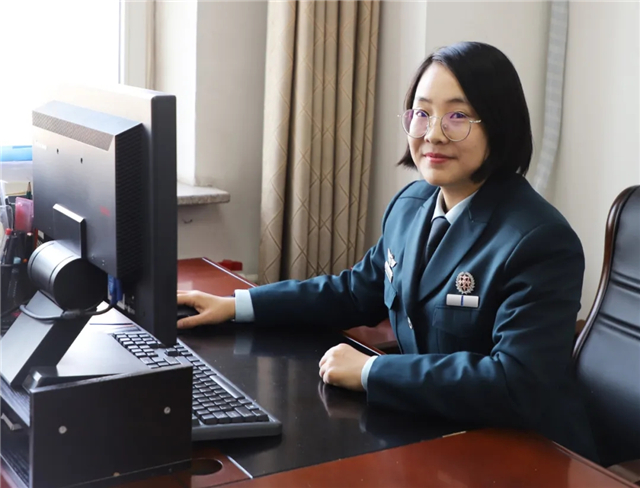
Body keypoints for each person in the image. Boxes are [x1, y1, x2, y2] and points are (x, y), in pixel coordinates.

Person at [177, 41, 598, 461]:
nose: (433, 133)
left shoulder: (539, 241)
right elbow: (354, 292)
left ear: (500, 125)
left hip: (521, 452)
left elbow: (515, 383)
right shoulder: (412, 205)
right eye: (422, 113)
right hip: (432, 431)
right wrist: (237, 305)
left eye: (457, 116)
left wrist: (372, 370)